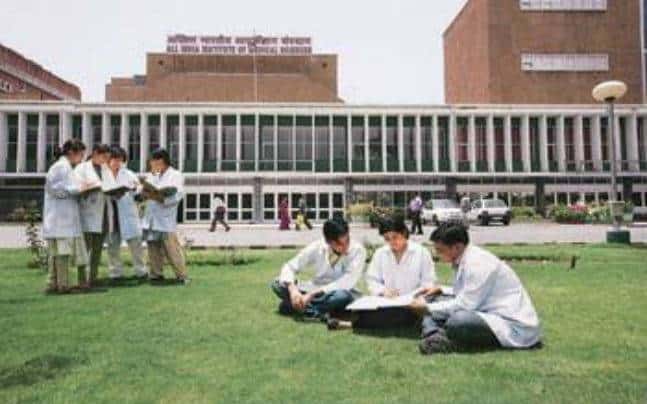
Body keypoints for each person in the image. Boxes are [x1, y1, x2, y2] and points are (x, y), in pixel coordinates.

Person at [409, 223, 542, 355]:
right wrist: (440, 290)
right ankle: (434, 335)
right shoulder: (465, 258)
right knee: (433, 299)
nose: (437, 254)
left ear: (457, 247)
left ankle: (437, 336)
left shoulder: (478, 264)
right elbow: (466, 292)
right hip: (485, 311)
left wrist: (427, 308)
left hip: (511, 325)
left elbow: (466, 305)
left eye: (440, 250)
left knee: (458, 320)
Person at [270, 218, 366, 322]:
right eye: (340, 244)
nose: (345, 247)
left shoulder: (358, 250)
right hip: (315, 288)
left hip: (339, 291)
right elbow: (290, 266)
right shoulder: (318, 246)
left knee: (342, 296)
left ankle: (299, 307)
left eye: (347, 241)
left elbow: (347, 282)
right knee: (277, 283)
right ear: (328, 241)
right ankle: (316, 309)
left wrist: (312, 294)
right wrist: (293, 290)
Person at [354, 215, 437, 328]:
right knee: (365, 311)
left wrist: (417, 297)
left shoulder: (421, 252)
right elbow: (372, 280)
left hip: (413, 303)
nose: (392, 242)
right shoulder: (380, 253)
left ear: (404, 233)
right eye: (387, 239)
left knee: (405, 314)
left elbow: (428, 282)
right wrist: (383, 291)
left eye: (395, 237)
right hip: (387, 302)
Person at [43, 139, 91, 293]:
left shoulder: (67, 167)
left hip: (64, 218)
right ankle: (62, 285)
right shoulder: (60, 167)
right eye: (80, 155)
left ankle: (54, 284)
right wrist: (78, 189)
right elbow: (54, 189)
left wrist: (79, 189)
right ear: (71, 152)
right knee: (61, 253)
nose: (81, 159)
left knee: (58, 253)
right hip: (59, 219)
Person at [142, 148, 190, 284]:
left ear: (162, 161)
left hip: (165, 217)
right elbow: (145, 191)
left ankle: (182, 275)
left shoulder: (175, 175)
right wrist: (144, 193)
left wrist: (160, 198)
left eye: (154, 162)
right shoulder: (152, 175)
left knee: (172, 249)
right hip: (151, 217)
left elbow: (178, 195)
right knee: (153, 248)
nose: (152, 165)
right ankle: (156, 274)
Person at [104, 146, 148, 281]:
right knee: (112, 247)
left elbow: (138, 192)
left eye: (120, 160)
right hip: (111, 215)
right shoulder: (103, 174)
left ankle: (141, 271)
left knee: (136, 245)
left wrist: (137, 190)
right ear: (108, 160)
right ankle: (115, 273)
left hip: (127, 214)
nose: (118, 163)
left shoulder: (129, 174)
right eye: (115, 160)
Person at [74, 144, 112, 286]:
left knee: (97, 249)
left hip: (103, 214)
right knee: (85, 249)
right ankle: (82, 279)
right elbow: (77, 189)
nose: (106, 161)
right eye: (104, 157)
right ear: (95, 153)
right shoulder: (82, 168)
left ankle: (93, 278)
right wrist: (93, 187)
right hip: (87, 214)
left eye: (108, 158)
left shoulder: (106, 169)